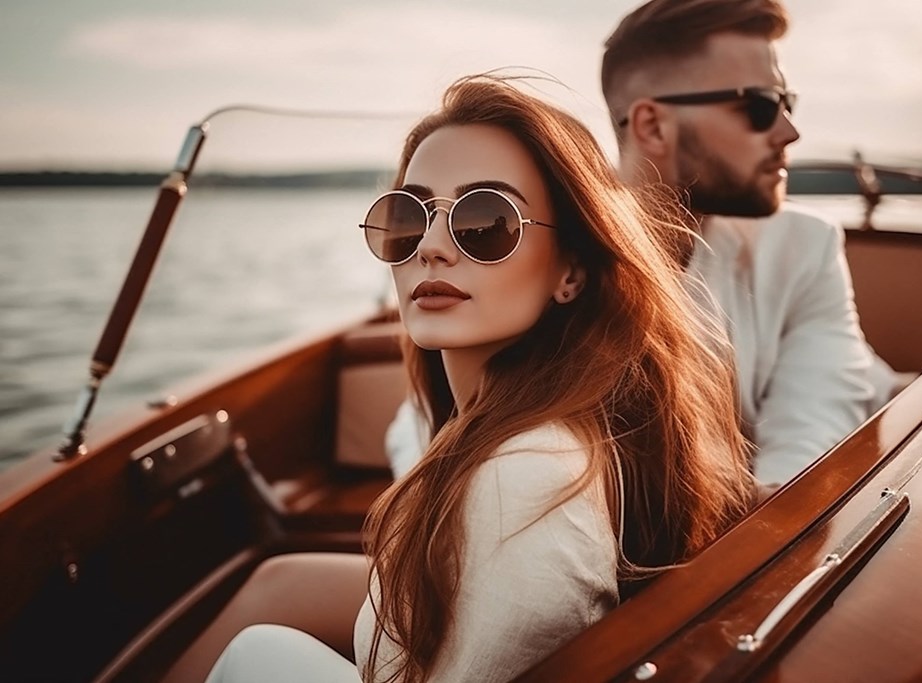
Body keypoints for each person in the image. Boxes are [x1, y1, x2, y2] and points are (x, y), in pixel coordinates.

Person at [205, 74, 755, 683]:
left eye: (486, 221)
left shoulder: (519, 482)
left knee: (255, 656)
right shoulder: (522, 432)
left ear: (570, 270)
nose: (432, 247)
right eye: (408, 218)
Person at [601, 0, 896, 484]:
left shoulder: (804, 245)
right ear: (653, 126)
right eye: (759, 106)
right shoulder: (559, 270)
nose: (789, 131)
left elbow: (810, 436)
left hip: (879, 406)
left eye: (787, 103)